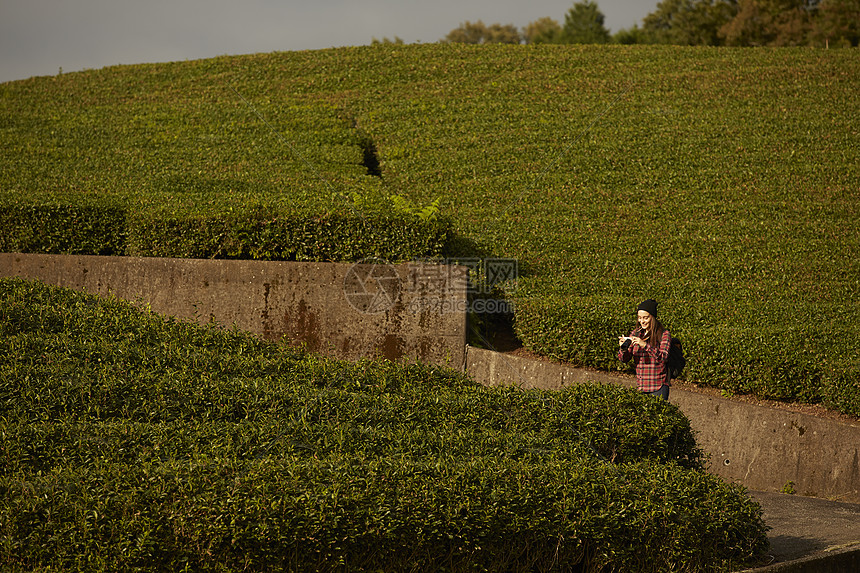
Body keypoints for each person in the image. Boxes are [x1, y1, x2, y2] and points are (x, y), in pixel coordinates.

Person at [618, 299, 671, 400]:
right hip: (641, 387)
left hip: (658, 388)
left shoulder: (664, 334)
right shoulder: (635, 333)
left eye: (645, 318)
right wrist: (623, 348)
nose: (642, 321)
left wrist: (644, 345)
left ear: (653, 317)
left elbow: (663, 358)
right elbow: (623, 359)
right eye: (639, 318)